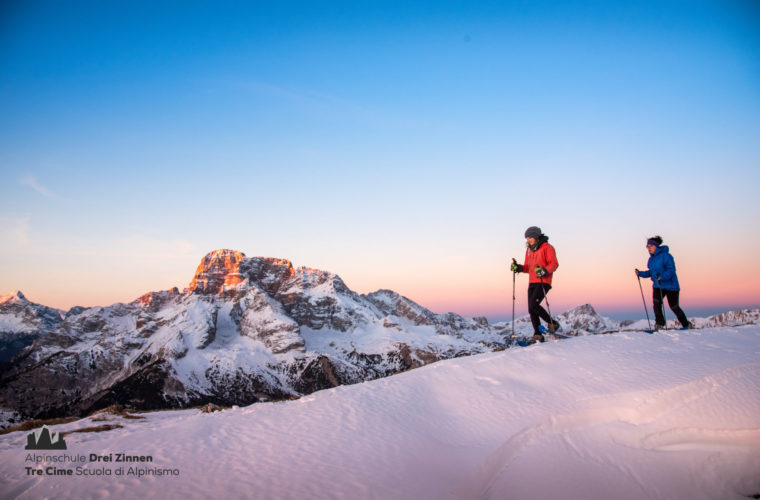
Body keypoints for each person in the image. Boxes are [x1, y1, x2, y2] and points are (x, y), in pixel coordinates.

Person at [510, 226, 560, 343]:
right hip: (532, 282)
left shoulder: (547, 248)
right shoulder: (529, 251)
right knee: (531, 309)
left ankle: (553, 323)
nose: (528, 240)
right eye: (527, 238)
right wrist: (518, 268)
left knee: (534, 305)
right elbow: (528, 268)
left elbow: (554, 264)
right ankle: (538, 335)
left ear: (537, 237)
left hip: (543, 281)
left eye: (530, 237)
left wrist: (544, 271)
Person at [635, 235, 692, 330]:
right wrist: (640, 273)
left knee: (674, 307)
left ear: (656, 246)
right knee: (656, 305)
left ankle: (686, 324)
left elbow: (671, 270)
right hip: (658, 285)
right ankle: (659, 324)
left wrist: (661, 277)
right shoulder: (651, 259)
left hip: (671, 286)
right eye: (647, 247)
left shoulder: (666, 256)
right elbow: (651, 272)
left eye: (650, 246)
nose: (648, 248)